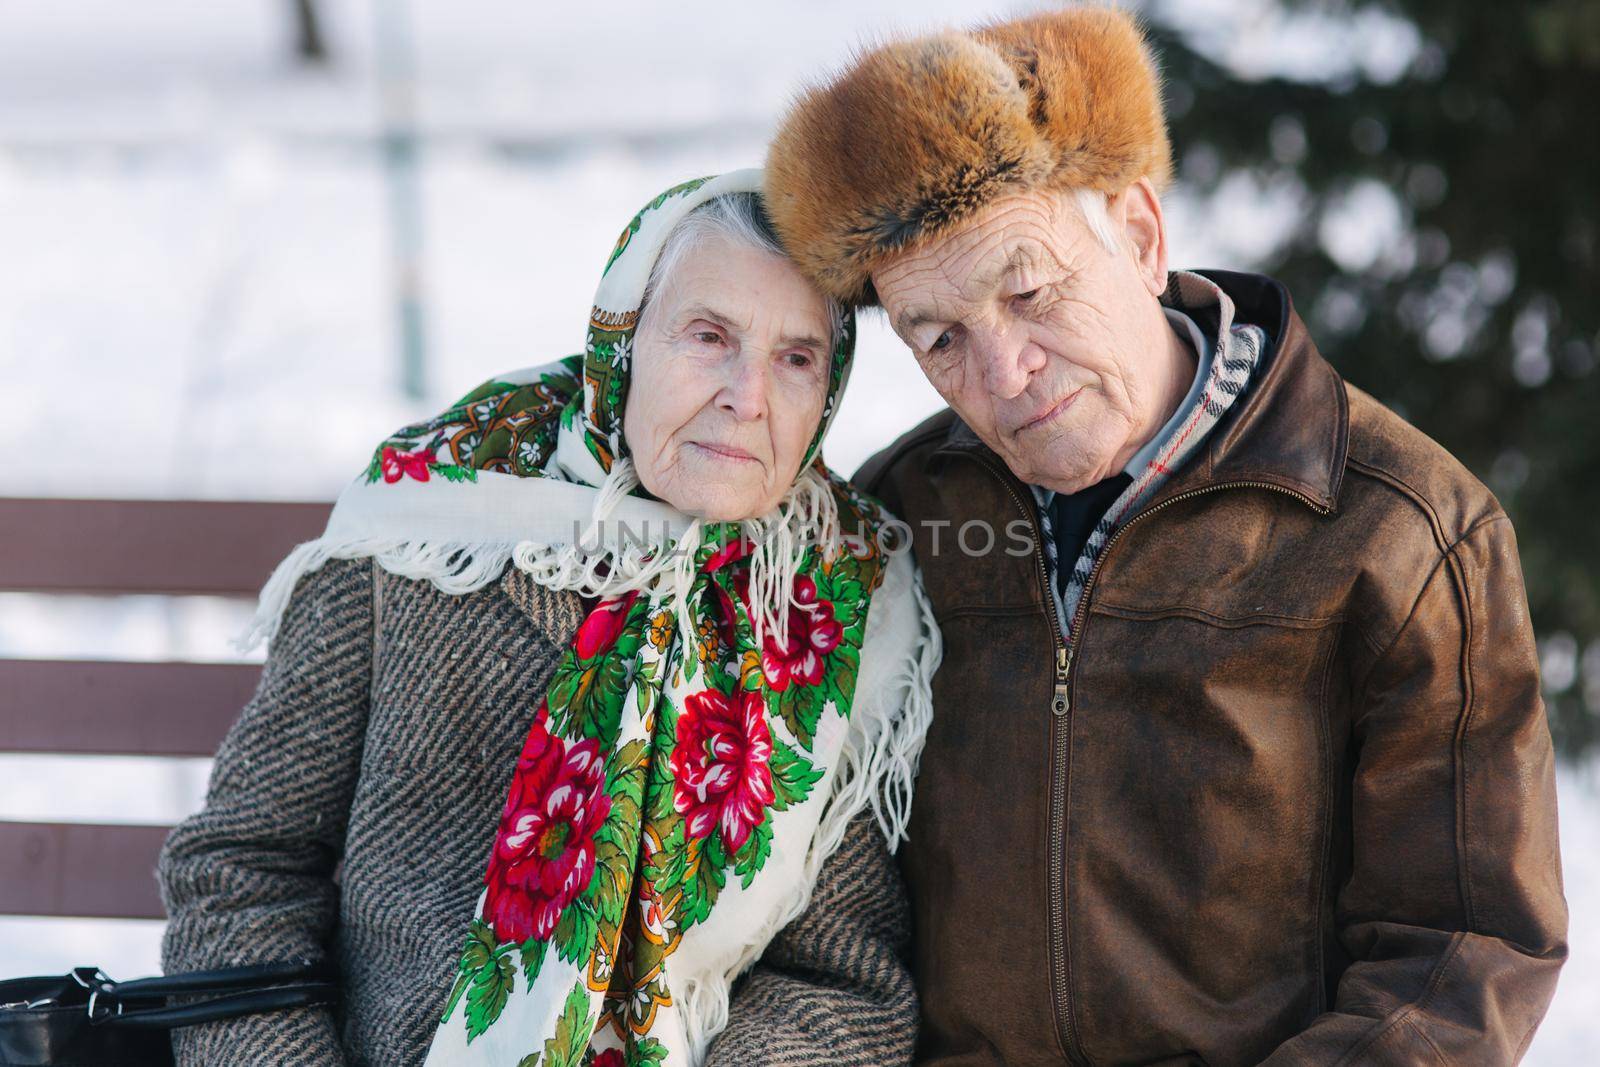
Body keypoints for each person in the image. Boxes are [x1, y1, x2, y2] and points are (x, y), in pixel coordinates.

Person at [747, 8, 1568, 1064]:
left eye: (1030, 290)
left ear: (1137, 236)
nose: (1002, 377)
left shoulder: (1400, 526)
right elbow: (830, 901)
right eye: (939, 337)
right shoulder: (894, 517)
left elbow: (1464, 948)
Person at [158, 171, 938, 1066]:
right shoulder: (433, 521)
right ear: (623, 340)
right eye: (708, 336)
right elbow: (241, 873)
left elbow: (840, 974)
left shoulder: (836, 595)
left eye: (795, 358)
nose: (746, 396)